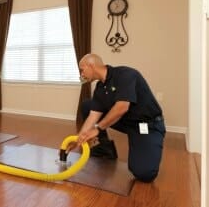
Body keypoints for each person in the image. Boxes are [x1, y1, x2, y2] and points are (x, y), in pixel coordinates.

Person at [69, 53, 166, 183]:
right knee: (88, 105)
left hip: (147, 125)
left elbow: (122, 107)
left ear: (91, 65)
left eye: (82, 69)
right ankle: (103, 150)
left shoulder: (126, 75)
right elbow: (93, 116)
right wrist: (77, 139)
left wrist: (97, 129)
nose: (81, 74)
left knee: (143, 174)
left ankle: (146, 144)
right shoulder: (99, 88)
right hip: (125, 121)